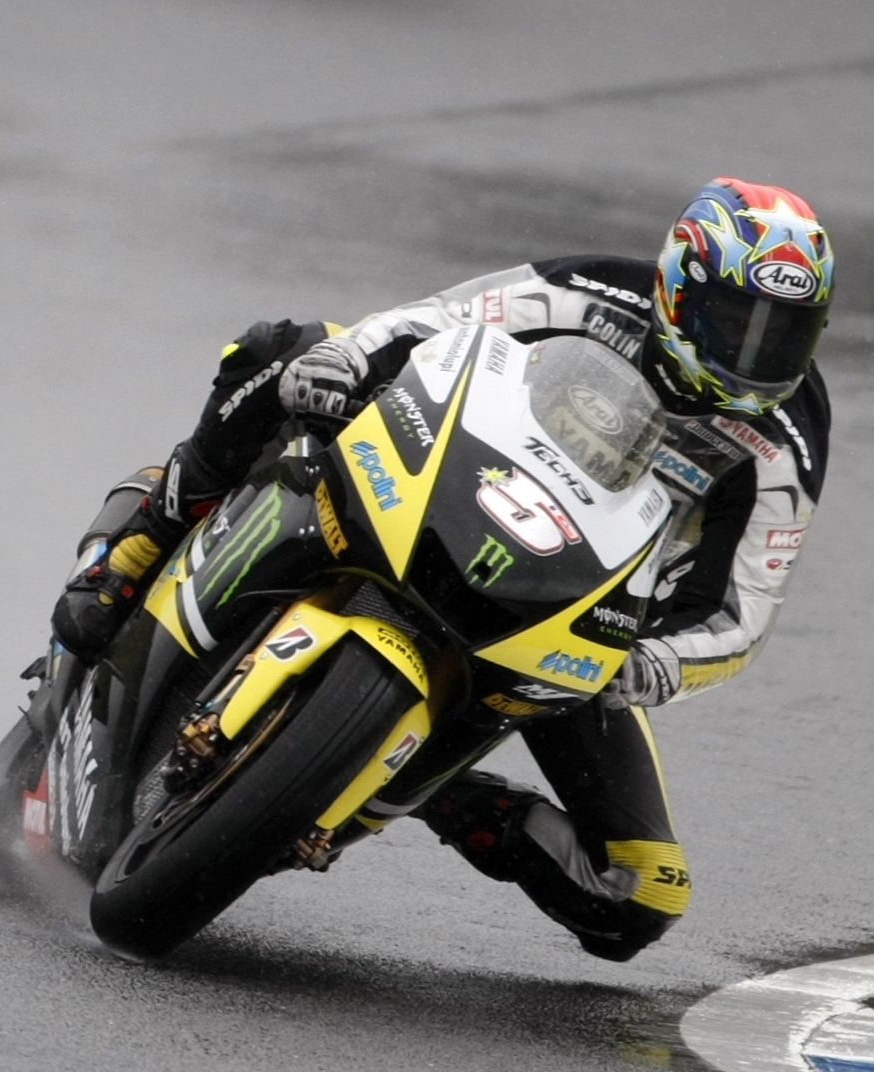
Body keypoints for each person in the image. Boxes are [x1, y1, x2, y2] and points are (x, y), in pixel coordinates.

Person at [47, 176, 834, 961]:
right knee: (283, 348)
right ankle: (138, 544)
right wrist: (345, 361)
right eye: (736, 323)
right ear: (679, 290)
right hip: (449, 490)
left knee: (640, 894)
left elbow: (741, 611)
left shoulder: (788, 438)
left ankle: (434, 791)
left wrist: (657, 664)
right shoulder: (591, 289)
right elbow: (435, 322)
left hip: (569, 618)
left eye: (784, 334)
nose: (756, 354)